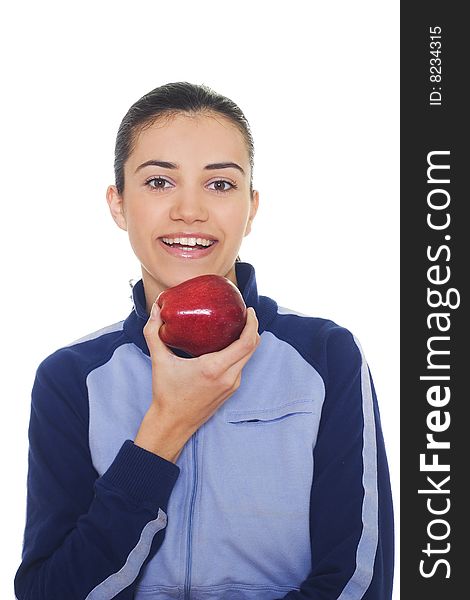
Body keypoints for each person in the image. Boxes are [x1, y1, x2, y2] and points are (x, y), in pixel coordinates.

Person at [14, 82, 394, 599]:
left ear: (251, 207)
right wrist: (164, 430)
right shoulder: (69, 379)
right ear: (118, 204)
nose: (189, 210)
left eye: (219, 185)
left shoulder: (326, 357)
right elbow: (48, 592)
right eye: (158, 182)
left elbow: (357, 583)